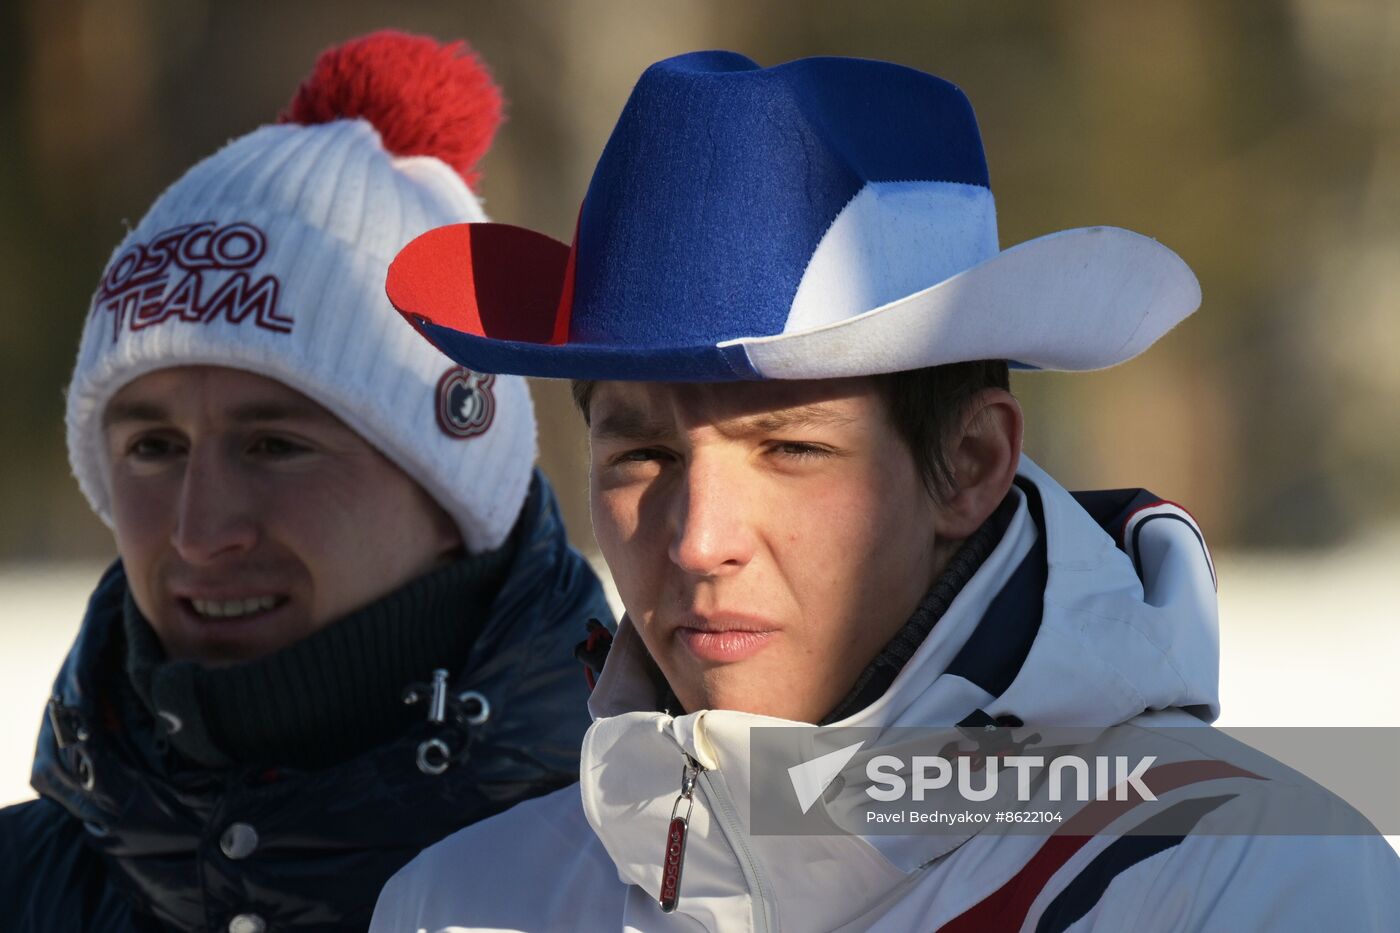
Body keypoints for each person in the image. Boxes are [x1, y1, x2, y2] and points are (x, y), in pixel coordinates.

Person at [369, 51, 1400, 931]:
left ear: (970, 464)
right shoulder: (463, 903)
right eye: (641, 457)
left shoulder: (1250, 884)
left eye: (790, 451)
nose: (697, 542)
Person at [0, 31, 612, 933]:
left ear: (454, 495)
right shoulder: (22, 889)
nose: (201, 531)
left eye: (277, 446)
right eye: (153, 448)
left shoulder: (657, 890)